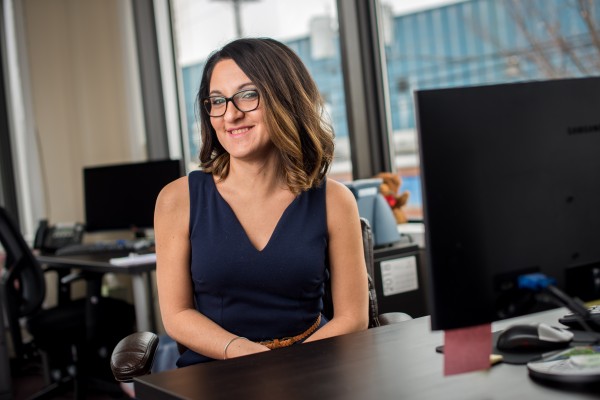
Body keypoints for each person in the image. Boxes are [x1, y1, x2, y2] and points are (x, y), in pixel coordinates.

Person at [154, 37, 368, 367]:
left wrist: (290, 368)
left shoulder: (336, 200)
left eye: (248, 95)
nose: (231, 115)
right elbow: (177, 314)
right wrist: (243, 353)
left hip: (311, 365)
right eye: (217, 101)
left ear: (285, 98)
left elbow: (353, 318)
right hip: (216, 370)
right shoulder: (176, 199)